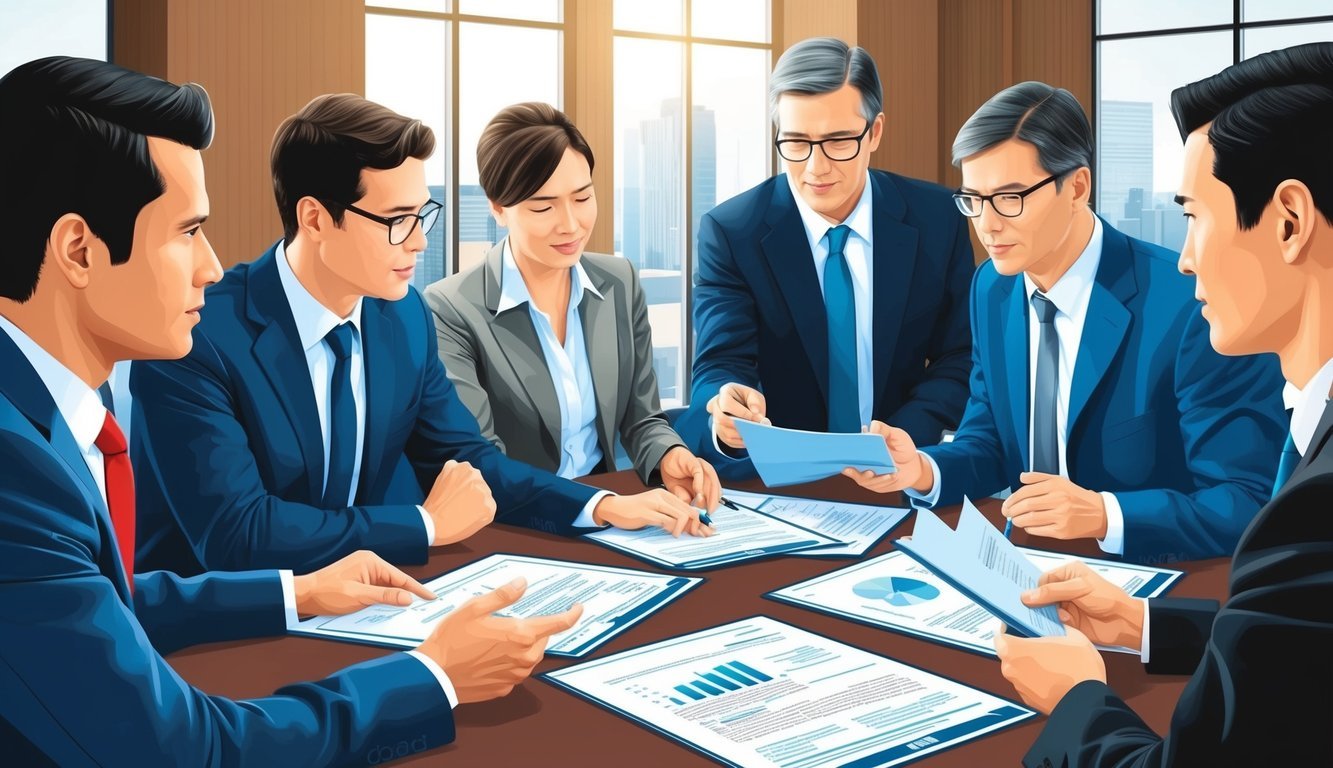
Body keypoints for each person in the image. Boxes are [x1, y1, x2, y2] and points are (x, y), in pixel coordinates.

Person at [0, 56, 580, 766]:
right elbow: (184, 750)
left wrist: (296, 592)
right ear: (78, 250)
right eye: (186, 233)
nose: (210, 266)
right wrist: (432, 677)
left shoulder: (43, 409)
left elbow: (100, 598)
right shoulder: (14, 464)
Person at [132, 93, 710, 577]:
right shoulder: (196, 335)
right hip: (223, 631)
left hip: (371, 599)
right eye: (396, 221)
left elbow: (463, 458)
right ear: (313, 217)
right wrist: (426, 524)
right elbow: (237, 534)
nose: (418, 241)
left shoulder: (401, 315)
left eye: (422, 214)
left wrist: (603, 505)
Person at [993, 43, 1333, 765]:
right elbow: (1300, 646)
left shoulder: (1317, 507)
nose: (1184, 258)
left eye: (1193, 216)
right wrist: (1142, 624)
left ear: (1288, 222)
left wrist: (1078, 697)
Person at [842, 81, 1287, 563]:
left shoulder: (1187, 304)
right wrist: (922, 469)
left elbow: (1246, 499)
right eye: (974, 198)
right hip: (1020, 568)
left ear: (1076, 187)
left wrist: (1103, 514)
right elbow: (988, 439)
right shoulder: (992, 287)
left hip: (1147, 588)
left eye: (1010, 197)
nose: (987, 224)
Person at [673, 36, 974, 480]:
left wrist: (904, 439)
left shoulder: (936, 218)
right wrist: (725, 405)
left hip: (903, 472)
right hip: (779, 481)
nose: (815, 167)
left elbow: (961, 355)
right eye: (795, 142)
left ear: (875, 132)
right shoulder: (733, 231)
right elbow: (721, 362)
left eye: (837, 141)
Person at [424, 102, 720, 519]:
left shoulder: (619, 282)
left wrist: (669, 455)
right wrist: (603, 507)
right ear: (497, 206)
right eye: (543, 207)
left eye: (582, 197)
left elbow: (641, 417)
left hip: (616, 517)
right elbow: (480, 466)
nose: (571, 224)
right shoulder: (449, 309)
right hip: (519, 524)